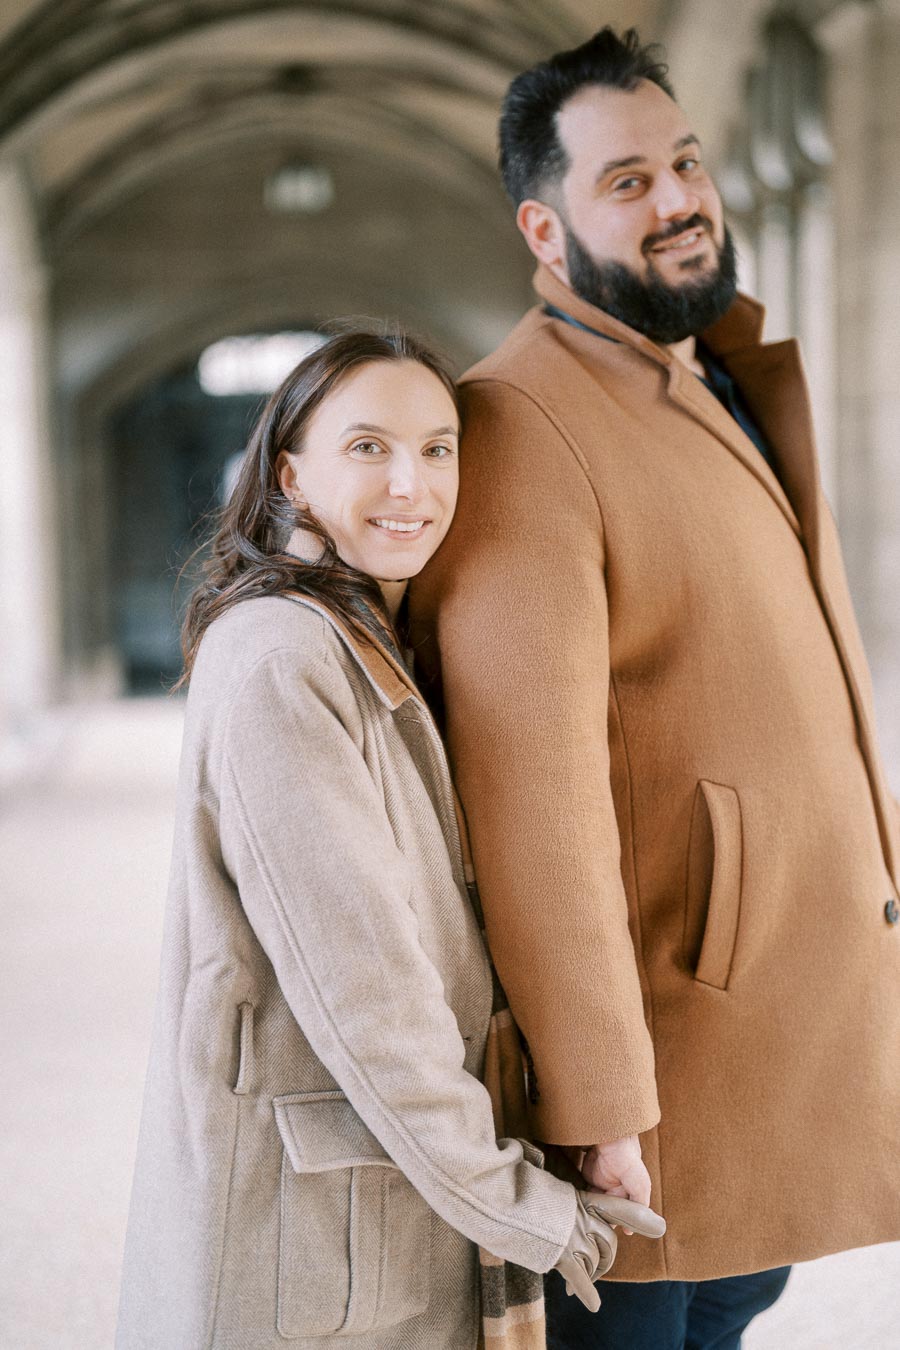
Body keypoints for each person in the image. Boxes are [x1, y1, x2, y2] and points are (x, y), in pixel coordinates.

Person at [410, 26, 900, 1350]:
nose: (679, 197)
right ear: (546, 223)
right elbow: (533, 804)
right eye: (626, 180)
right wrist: (594, 1102)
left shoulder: (702, 370)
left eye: (685, 163)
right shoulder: (523, 423)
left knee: (734, 1308)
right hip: (656, 1072)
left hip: (759, 1044)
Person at [114, 329, 665, 1350]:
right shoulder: (284, 656)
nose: (411, 482)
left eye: (439, 448)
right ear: (290, 472)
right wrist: (529, 1211)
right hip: (311, 1253)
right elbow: (363, 996)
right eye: (368, 447)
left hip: (370, 1220)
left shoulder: (368, 635)